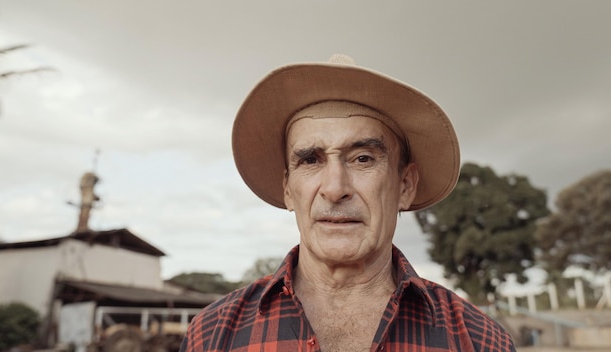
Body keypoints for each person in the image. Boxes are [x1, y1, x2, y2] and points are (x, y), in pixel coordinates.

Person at [180, 54, 516, 351]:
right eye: (311, 160)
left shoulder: (479, 340)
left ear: (405, 185)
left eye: (363, 159)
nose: (335, 188)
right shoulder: (212, 335)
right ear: (287, 189)